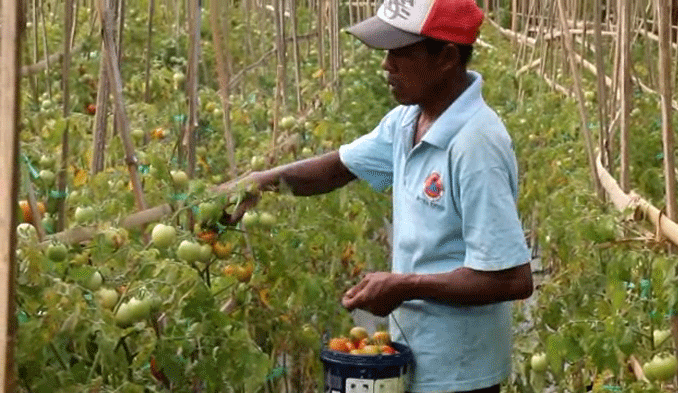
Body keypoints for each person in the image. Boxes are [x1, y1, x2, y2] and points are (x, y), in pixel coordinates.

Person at [219, 0, 533, 391]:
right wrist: (256, 181)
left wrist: (405, 285)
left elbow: (512, 279)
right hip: (414, 355)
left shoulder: (475, 145)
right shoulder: (409, 120)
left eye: (400, 53)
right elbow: (336, 168)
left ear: (447, 57)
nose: (386, 65)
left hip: (460, 373)